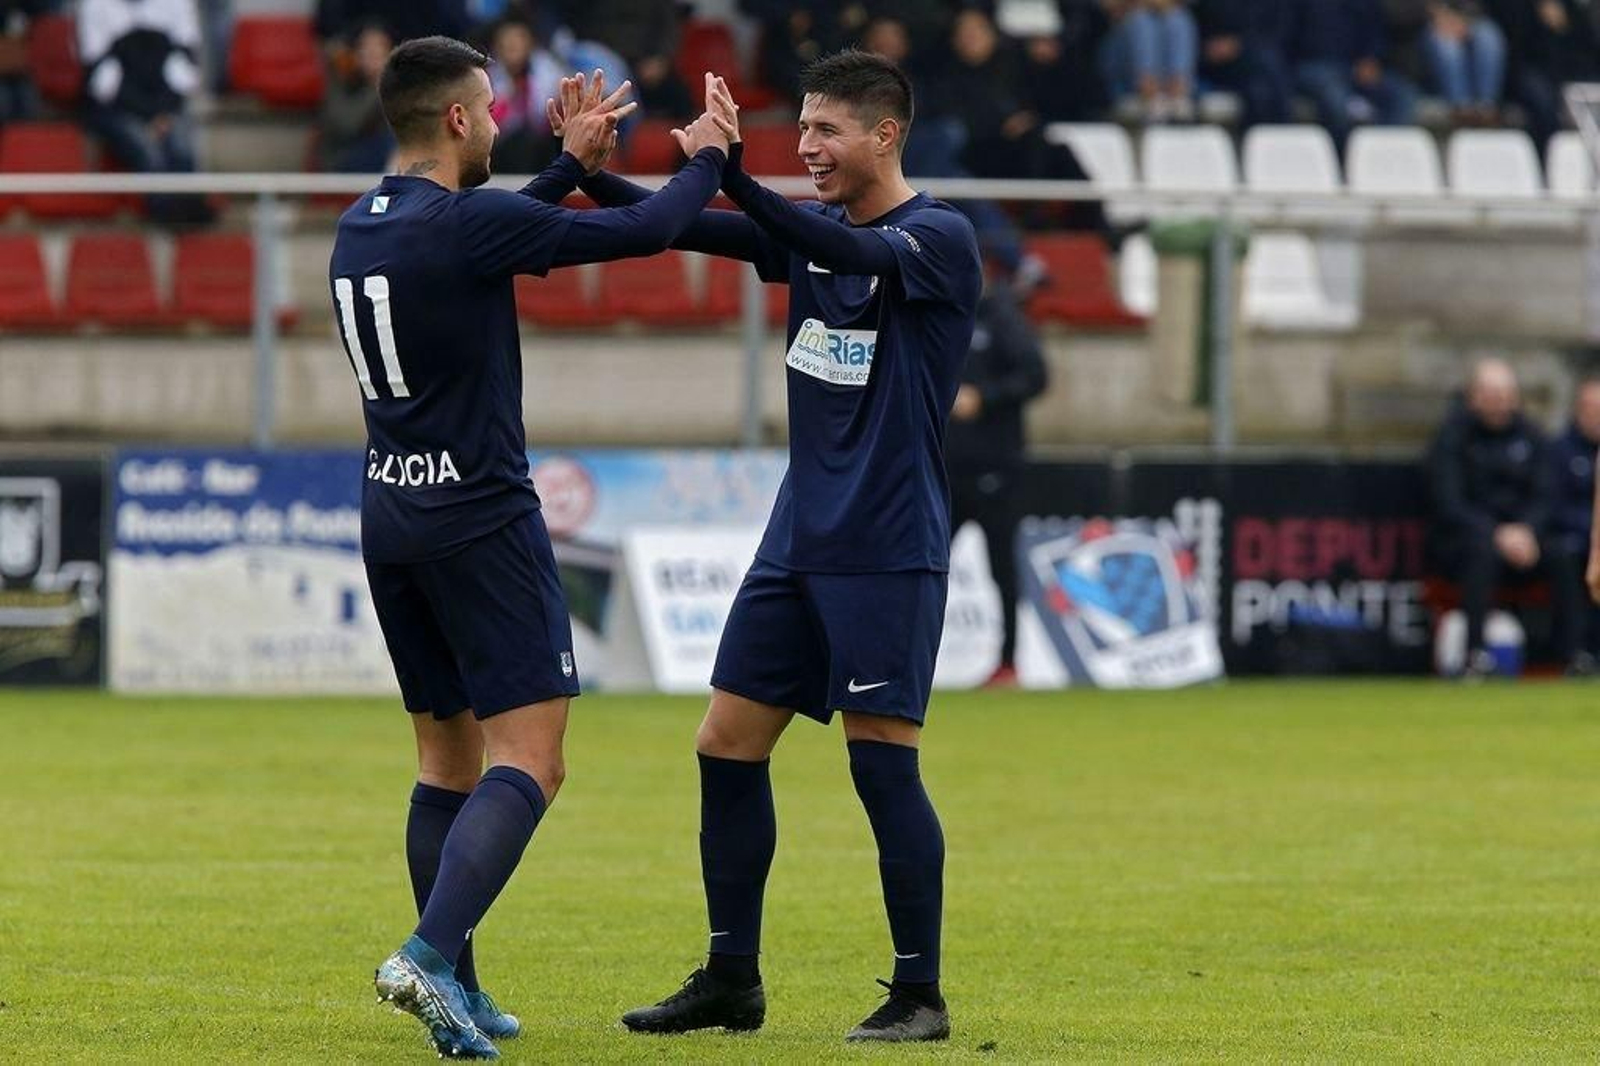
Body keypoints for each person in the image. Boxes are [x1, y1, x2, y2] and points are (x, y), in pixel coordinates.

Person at [544, 51, 980, 1042]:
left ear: (886, 135)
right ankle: (730, 977)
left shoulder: (938, 238)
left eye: (826, 131)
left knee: (882, 764)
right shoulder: (813, 230)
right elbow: (690, 227)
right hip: (796, 539)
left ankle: (920, 992)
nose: (809, 149)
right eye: (804, 130)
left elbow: (835, 251)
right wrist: (580, 167)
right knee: (724, 745)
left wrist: (734, 168)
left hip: (884, 541)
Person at [331, 36, 732, 1059]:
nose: (502, 124)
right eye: (490, 110)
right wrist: (708, 160)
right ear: (460, 120)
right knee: (533, 759)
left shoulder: (361, 223)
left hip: (392, 512)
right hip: (482, 517)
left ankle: (455, 982)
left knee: (443, 756)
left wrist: (567, 164)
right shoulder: (468, 225)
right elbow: (647, 231)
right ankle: (425, 953)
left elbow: (483, 230)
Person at [1427, 358, 1584, 677]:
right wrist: (1496, 533)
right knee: (1481, 553)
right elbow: (1449, 502)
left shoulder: (1532, 436)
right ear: (1473, 396)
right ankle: (1475, 655)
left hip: (1525, 542)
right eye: (1489, 393)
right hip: (1468, 542)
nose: (1498, 401)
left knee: (1564, 553)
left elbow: (1546, 495)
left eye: (1504, 393)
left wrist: (1527, 530)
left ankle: (1573, 656)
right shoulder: (1452, 439)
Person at [947, 245, 1050, 688]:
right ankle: (898, 656)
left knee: (1002, 569)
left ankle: (1009, 662)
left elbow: (1037, 376)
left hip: (996, 470)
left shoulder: (1000, 317)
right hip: (943, 469)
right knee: (918, 567)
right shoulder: (940, 315)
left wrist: (984, 398)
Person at [78, 0, 211, 225]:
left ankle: (190, 212)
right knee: (149, 152)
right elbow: (100, 83)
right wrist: (149, 115)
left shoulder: (178, 4)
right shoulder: (95, 6)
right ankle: (165, 216)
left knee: (182, 146)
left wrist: (162, 114)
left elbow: (186, 73)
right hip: (118, 107)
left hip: (166, 104)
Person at [1285, 0, 1418, 150]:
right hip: (1312, 66)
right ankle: (1347, 157)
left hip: (1355, 67)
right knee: (1334, 96)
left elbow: (1375, 31)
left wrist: (1370, 58)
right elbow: (1286, 37)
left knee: (1403, 95)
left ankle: (1381, 153)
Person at [1551, 377, 1600, 660]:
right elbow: (1554, 505)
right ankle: (1576, 653)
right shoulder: (1560, 450)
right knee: (1565, 554)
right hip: (1573, 538)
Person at [1100, 0, 1200, 123]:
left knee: (1178, 20)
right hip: (1119, 48)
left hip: (1162, 48)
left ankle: (1178, 92)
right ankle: (1149, 92)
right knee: (1141, 22)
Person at [318, 22, 396, 172]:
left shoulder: (398, 84)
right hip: (344, 156)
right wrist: (376, 86)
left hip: (386, 159)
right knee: (391, 142)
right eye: (367, 49)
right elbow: (348, 126)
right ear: (355, 54)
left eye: (380, 49)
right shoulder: (340, 82)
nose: (373, 56)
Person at [1422, 0, 1506, 125]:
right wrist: (1438, 15)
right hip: (1426, 24)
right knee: (1448, 46)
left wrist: (1464, 20)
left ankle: (1486, 108)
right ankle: (1461, 109)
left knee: (1488, 36)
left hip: (1470, 19)